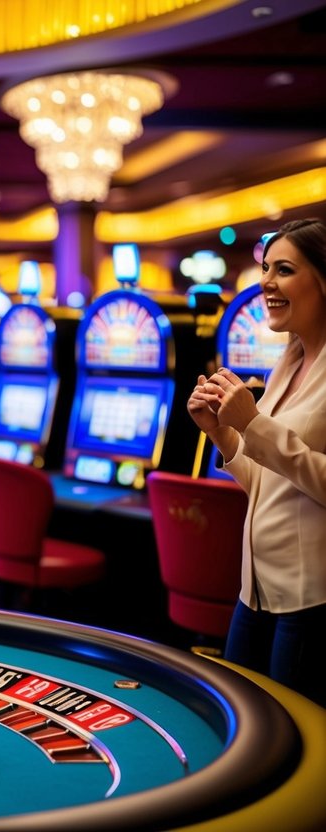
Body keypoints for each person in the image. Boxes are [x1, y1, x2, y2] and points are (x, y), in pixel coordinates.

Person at [188, 217, 326, 707]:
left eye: (284, 270)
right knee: (243, 720)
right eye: (266, 268)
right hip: (256, 587)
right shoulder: (288, 361)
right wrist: (222, 432)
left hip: (311, 598)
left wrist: (253, 425)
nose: (265, 281)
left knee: (295, 739)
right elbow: (270, 479)